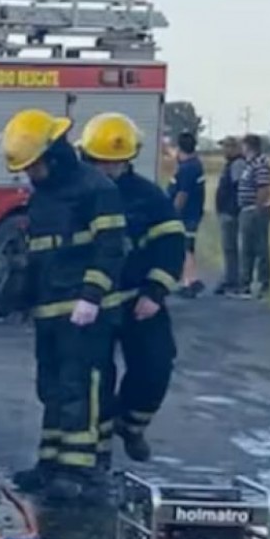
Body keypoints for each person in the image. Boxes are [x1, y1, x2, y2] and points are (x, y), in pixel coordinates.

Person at [0, 108, 125, 502]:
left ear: (53, 156)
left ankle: (79, 469)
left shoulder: (96, 189)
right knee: (50, 386)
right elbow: (37, 253)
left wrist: (91, 297)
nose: (28, 174)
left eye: (32, 166)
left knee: (78, 388)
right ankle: (50, 462)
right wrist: (23, 295)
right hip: (49, 309)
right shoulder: (43, 196)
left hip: (82, 311)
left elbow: (110, 249)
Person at [78, 113, 183, 464]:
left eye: (117, 163)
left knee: (156, 365)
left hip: (139, 301)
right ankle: (99, 457)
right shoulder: (78, 196)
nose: (109, 170)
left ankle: (132, 424)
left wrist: (155, 291)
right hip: (92, 304)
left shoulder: (149, 197)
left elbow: (171, 246)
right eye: (101, 162)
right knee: (97, 381)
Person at [167, 131, 207, 296]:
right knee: (187, 246)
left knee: (186, 247)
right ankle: (189, 279)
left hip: (186, 215)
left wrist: (173, 213)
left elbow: (182, 194)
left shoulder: (187, 169)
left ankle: (190, 281)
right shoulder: (195, 164)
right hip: (193, 213)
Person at [236, 133, 270, 297]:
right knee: (247, 248)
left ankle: (263, 283)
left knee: (260, 248)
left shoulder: (260, 164)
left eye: (243, 146)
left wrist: (257, 209)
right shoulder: (249, 164)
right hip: (247, 209)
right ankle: (245, 283)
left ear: (249, 147)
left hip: (256, 210)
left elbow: (263, 189)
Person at [213, 136, 246, 294]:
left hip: (231, 212)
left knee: (231, 248)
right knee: (228, 248)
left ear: (234, 148)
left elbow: (238, 188)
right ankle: (230, 278)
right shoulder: (231, 164)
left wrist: (233, 209)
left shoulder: (238, 164)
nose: (224, 150)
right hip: (226, 211)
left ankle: (233, 280)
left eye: (226, 147)